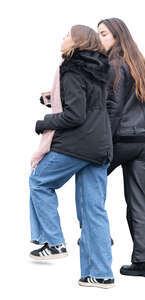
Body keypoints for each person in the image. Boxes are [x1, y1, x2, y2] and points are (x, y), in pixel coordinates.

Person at [29, 25, 114, 288]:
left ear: (77, 42)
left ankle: (54, 242)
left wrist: (43, 123)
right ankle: (100, 274)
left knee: (39, 181)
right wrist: (52, 101)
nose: (62, 38)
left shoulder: (71, 68)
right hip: (101, 145)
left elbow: (75, 116)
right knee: (93, 211)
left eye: (67, 35)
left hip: (78, 145)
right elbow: (89, 106)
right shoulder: (101, 69)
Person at [76, 18, 145, 278]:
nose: (99, 39)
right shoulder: (140, 64)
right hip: (144, 142)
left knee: (87, 179)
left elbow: (111, 109)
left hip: (120, 139)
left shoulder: (113, 65)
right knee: (138, 200)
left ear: (117, 37)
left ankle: (98, 237)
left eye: (103, 34)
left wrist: (102, 145)